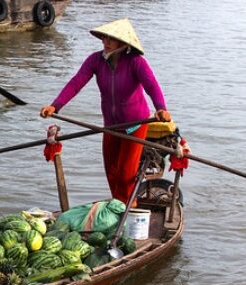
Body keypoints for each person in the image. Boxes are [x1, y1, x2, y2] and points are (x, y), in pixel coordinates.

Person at [40, 18, 172, 206]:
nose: (105, 42)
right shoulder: (95, 60)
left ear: (123, 43)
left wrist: (161, 108)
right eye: (104, 38)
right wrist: (55, 106)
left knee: (126, 172)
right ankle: (119, 205)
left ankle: (128, 208)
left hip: (135, 124)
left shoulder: (135, 62)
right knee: (111, 170)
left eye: (111, 39)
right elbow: (77, 82)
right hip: (111, 125)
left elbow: (152, 85)